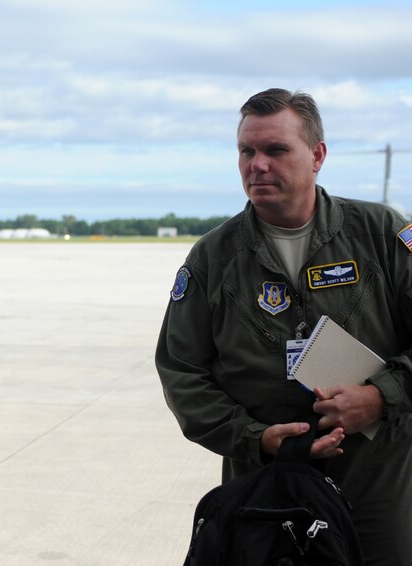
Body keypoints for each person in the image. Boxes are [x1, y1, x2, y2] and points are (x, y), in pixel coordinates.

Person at [156, 88, 412, 565]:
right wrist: (256, 438)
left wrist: (381, 397)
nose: (257, 164)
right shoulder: (213, 257)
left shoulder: (380, 235)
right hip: (264, 483)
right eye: (246, 151)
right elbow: (181, 372)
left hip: (377, 484)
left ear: (316, 156)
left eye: (276, 150)